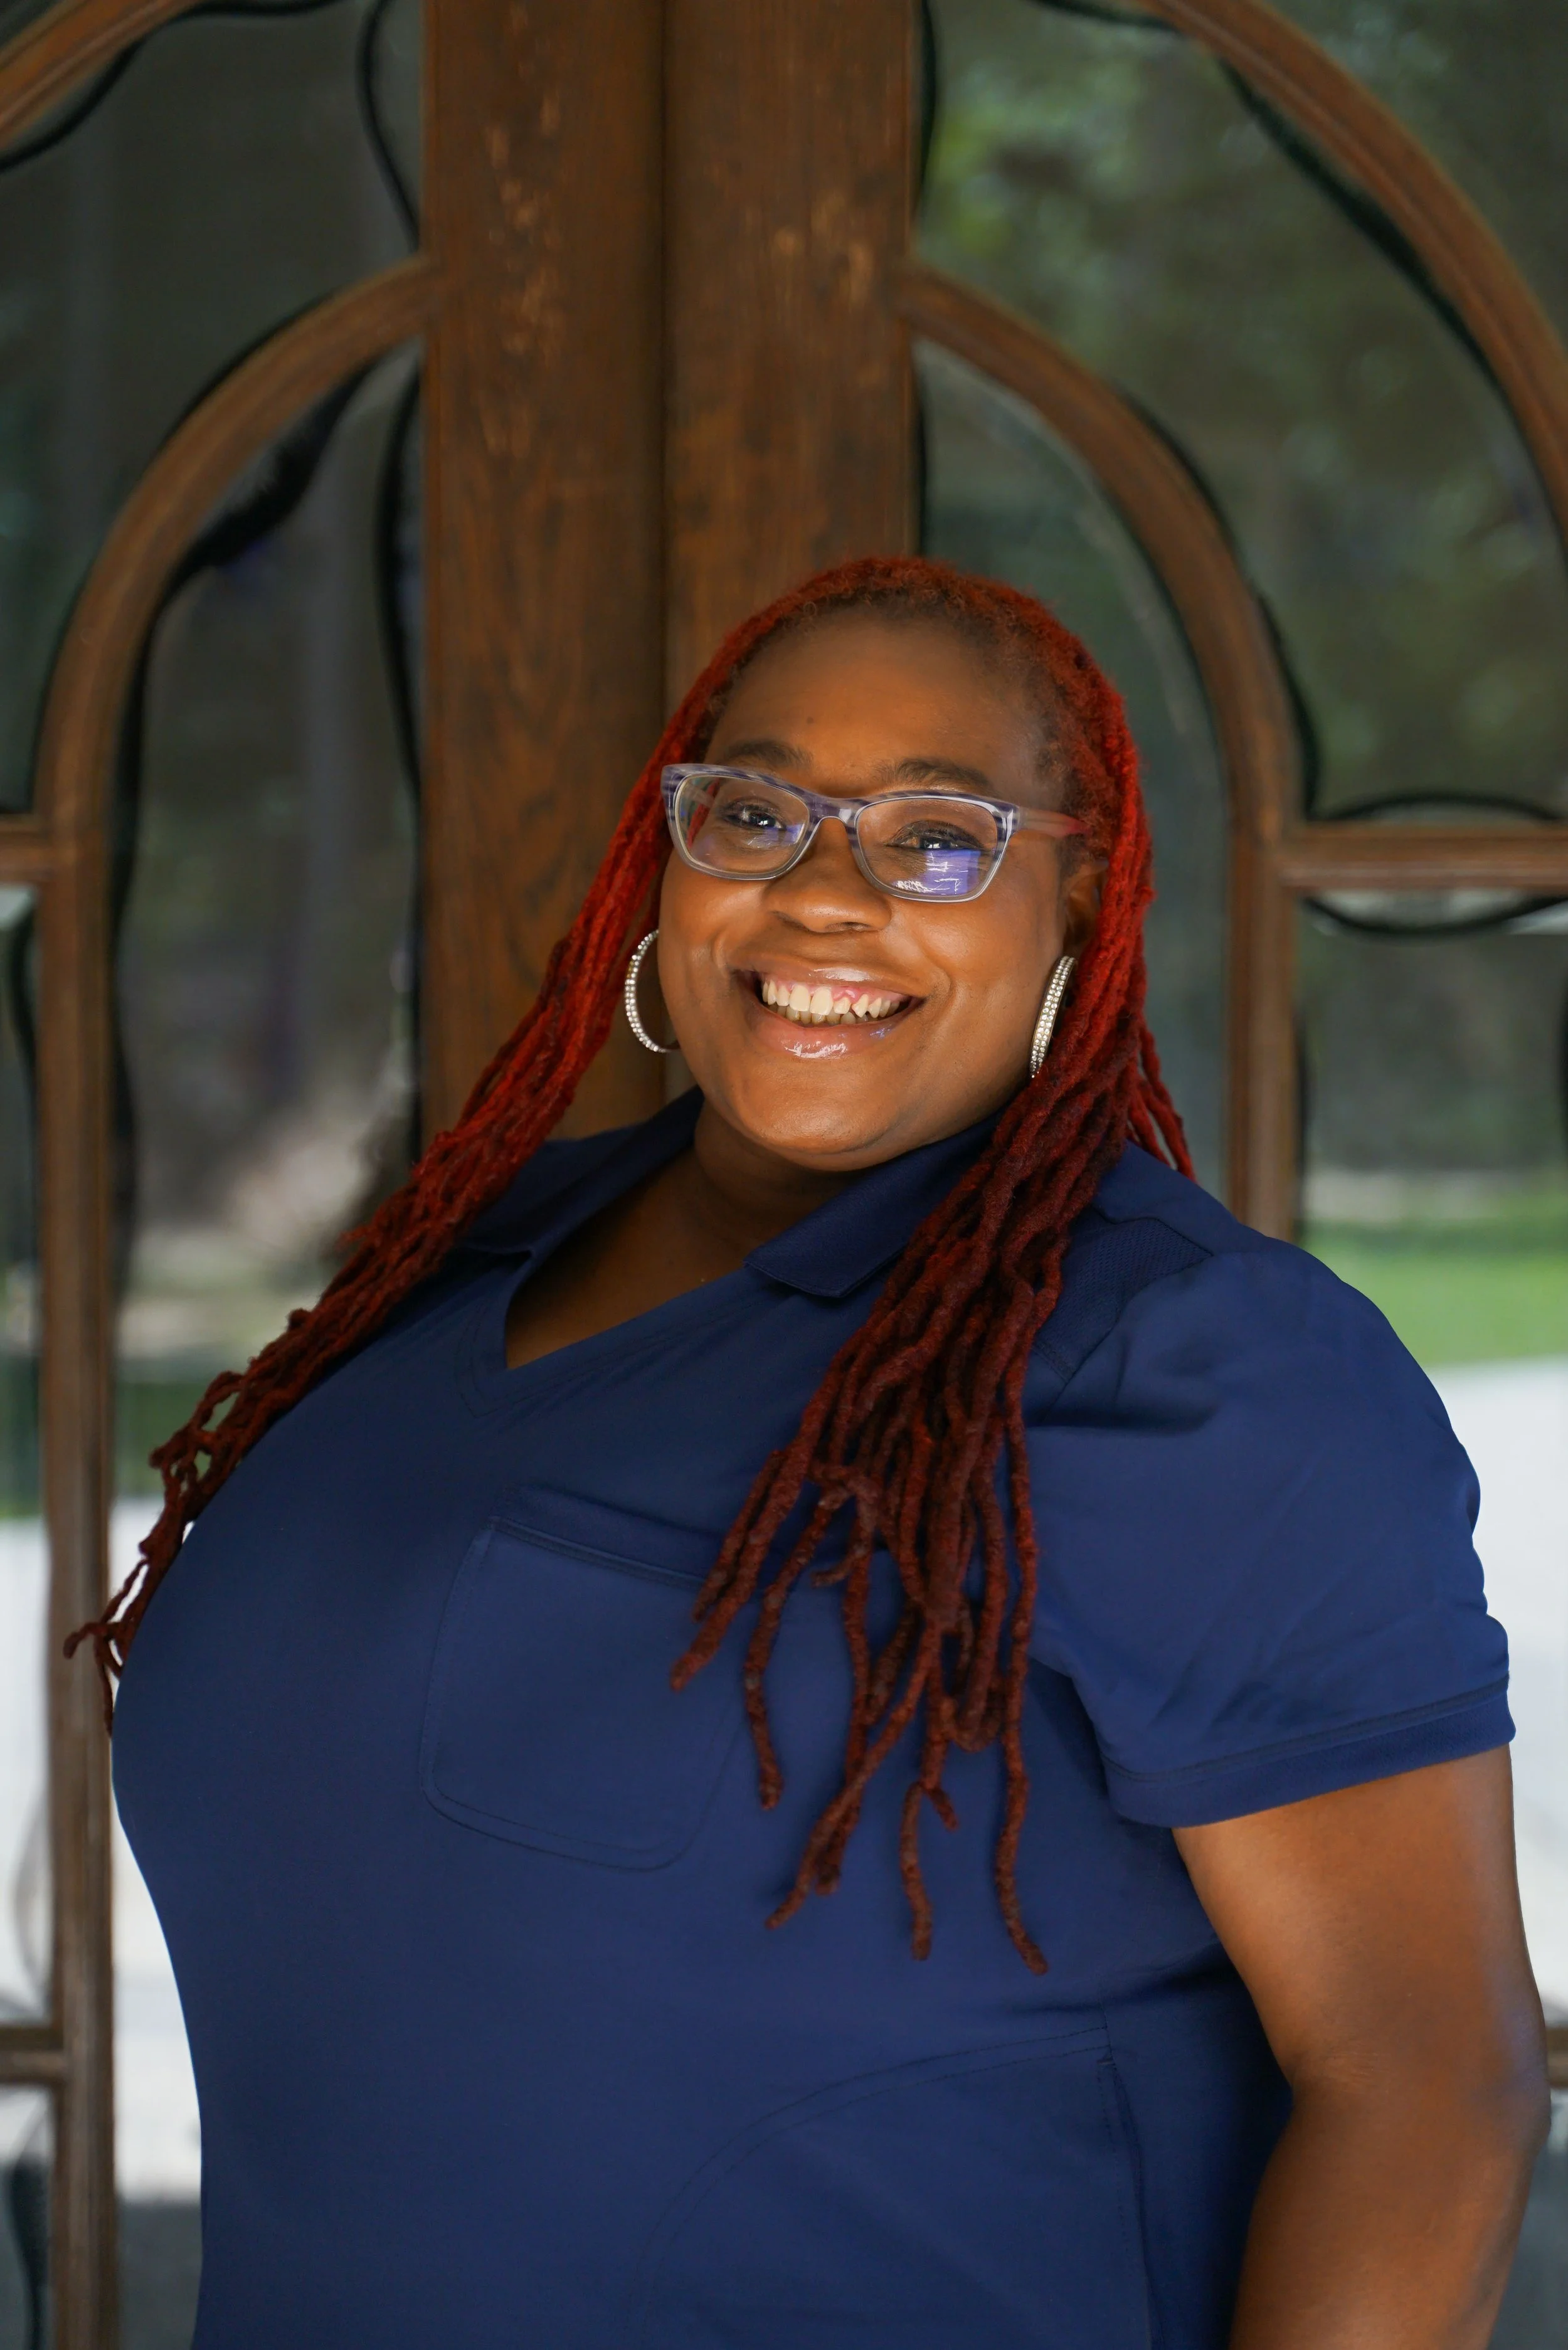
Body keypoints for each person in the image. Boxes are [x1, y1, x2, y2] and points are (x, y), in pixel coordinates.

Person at [86, 558, 1545, 2349]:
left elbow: (1425, 2091)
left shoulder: (1189, 1370)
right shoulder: (464, 1261)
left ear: (1075, 892)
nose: (824, 894)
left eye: (934, 835)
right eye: (756, 811)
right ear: (667, 859)